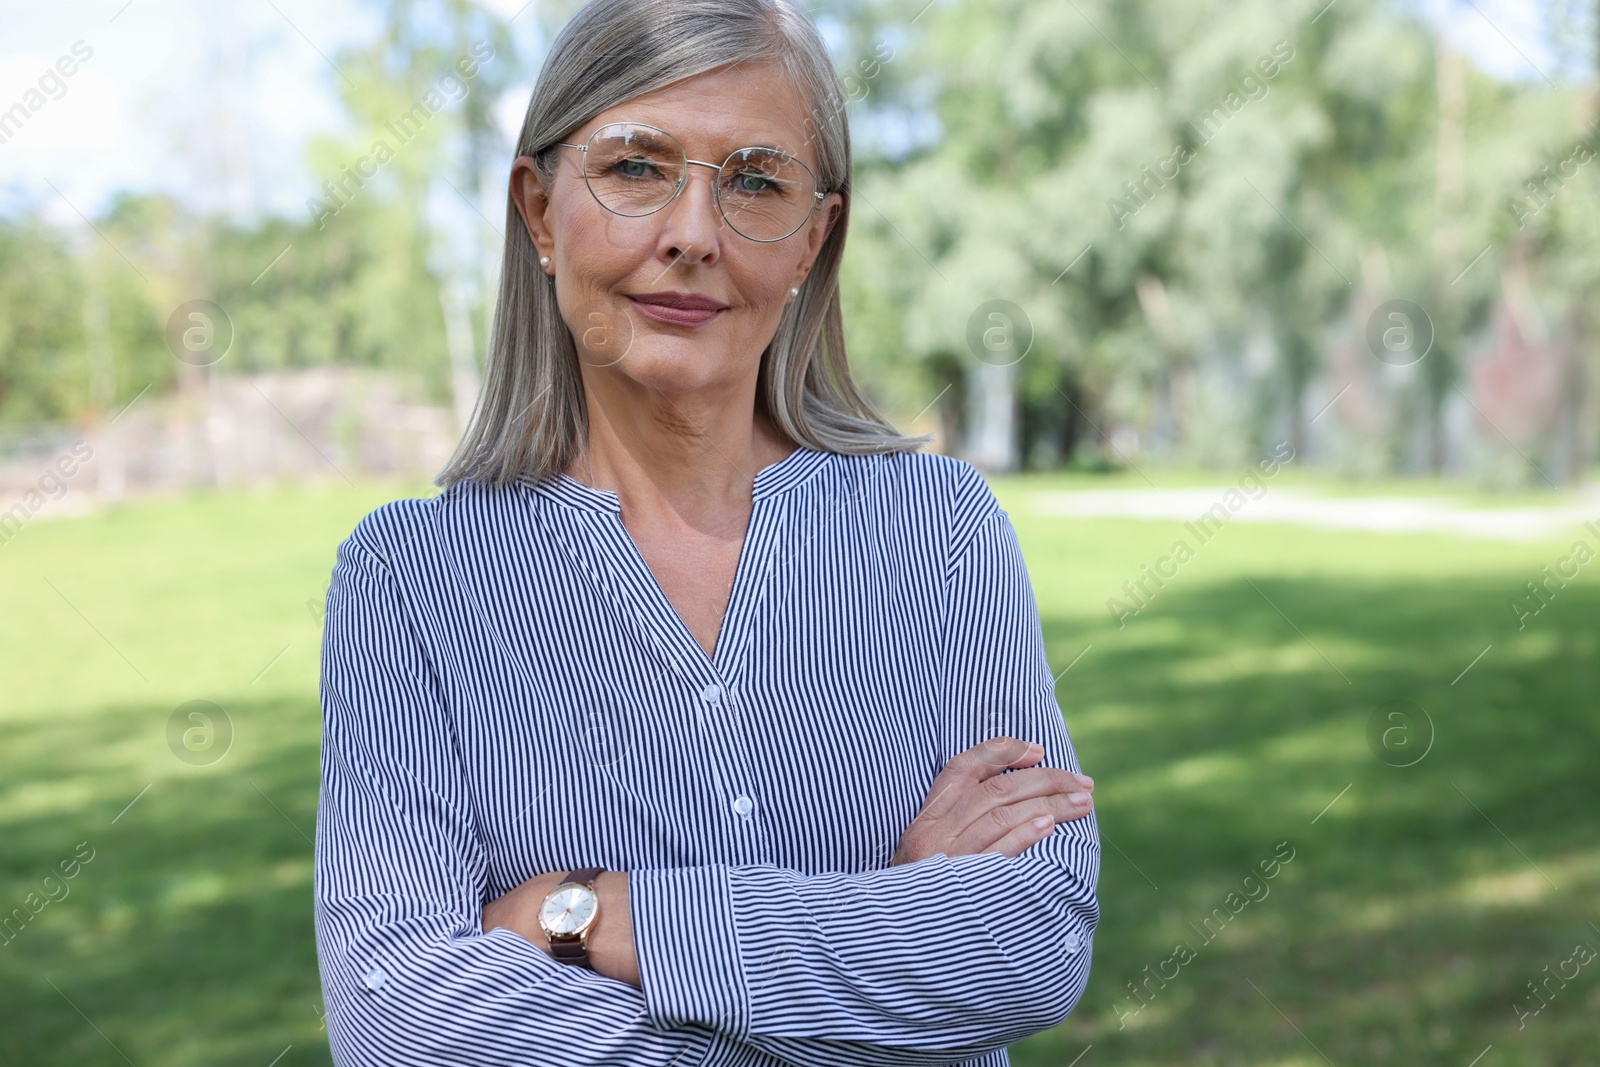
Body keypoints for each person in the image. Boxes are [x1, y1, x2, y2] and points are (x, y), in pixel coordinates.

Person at [312, 0, 1100, 1063]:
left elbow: (1027, 940)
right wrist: (886, 931)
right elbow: (397, 1021)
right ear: (539, 213)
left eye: (755, 181)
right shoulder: (408, 581)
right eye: (636, 168)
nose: (691, 232)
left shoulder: (940, 530)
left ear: (813, 241)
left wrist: (597, 918)